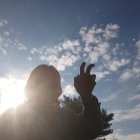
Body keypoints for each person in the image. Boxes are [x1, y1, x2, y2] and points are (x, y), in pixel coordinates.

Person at [0, 62, 103, 140]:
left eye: (58, 86)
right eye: (52, 85)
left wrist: (87, 96)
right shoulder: (10, 118)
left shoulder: (65, 117)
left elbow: (91, 129)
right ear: (33, 85)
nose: (59, 91)